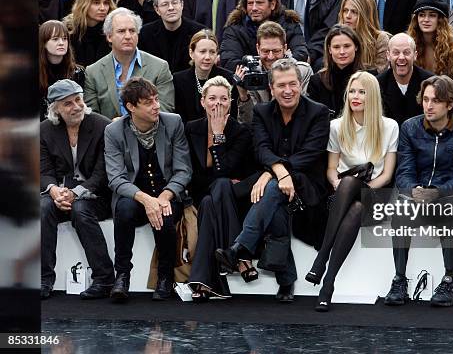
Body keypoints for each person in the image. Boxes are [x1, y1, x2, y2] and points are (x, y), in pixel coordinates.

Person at [215, 58, 330, 303]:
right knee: (273, 195)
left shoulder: (318, 112)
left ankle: (240, 248)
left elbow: (310, 153)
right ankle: (285, 279)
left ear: (300, 84)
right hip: (274, 184)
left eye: (292, 84)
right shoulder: (262, 112)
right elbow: (261, 148)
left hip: (307, 185)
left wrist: (273, 172)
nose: (287, 91)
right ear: (271, 88)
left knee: (271, 188)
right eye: (281, 85)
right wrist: (277, 171)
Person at [305, 72, 399, 311]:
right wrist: (337, 185)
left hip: (377, 194)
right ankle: (328, 285)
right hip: (344, 196)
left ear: (373, 96)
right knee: (353, 203)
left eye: (362, 92)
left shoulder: (389, 127)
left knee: (354, 193)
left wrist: (362, 188)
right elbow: (330, 170)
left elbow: (386, 175)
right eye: (353, 91)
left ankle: (321, 258)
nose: (355, 97)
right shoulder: (336, 126)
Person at [385, 75, 453, 307]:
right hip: (416, 195)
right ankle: (399, 279)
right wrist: (413, 190)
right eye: (425, 99)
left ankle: (449, 279)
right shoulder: (409, 127)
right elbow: (404, 170)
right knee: (401, 211)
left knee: (450, 210)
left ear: (449, 103)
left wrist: (437, 192)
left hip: (448, 195)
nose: (428, 105)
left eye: (435, 100)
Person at [104, 77, 192, 301]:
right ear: (131, 107)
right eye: (148, 102)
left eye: (156, 99)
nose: (156, 105)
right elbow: (116, 178)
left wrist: (163, 196)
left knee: (166, 212)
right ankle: (122, 276)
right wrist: (145, 199)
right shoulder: (114, 131)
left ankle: (165, 276)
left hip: (168, 192)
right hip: (134, 194)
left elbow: (184, 171)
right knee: (123, 209)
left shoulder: (173, 123)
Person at [40, 79, 115, 300]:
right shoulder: (44, 130)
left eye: (78, 100)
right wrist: (54, 191)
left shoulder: (103, 126)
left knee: (81, 209)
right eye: (68, 103)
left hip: (96, 195)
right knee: (42, 207)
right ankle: (44, 279)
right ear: (55, 109)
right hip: (60, 194)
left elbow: (103, 174)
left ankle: (104, 278)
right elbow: (43, 170)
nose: (76, 106)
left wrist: (75, 193)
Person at [185, 76, 256, 300]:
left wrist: (218, 136)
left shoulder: (241, 131)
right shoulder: (191, 128)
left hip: (233, 199)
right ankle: (240, 255)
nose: (218, 104)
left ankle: (203, 283)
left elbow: (226, 170)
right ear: (203, 101)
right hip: (201, 193)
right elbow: (190, 172)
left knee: (220, 187)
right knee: (209, 198)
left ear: (231, 102)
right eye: (212, 98)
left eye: (224, 99)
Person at [84, 7, 175, 119]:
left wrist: (133, 124)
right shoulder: (93, 72)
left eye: (132, 31)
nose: (128, 36)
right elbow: (92, 116)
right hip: (108, 134)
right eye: (121, 31)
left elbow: (165, 109)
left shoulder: (159, 67)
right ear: (109, 36)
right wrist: (113, 128)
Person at [234, 21, 313, 123]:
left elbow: (306, 114)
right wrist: (244, 96)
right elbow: (249, 124)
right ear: (258, 48)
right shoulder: (252, 75)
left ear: (284, 48)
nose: (271, 57)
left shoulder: (302, 71)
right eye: (265, 51)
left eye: (276, 51)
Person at [219, 0, 308, 71]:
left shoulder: (289, 23)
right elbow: (229, 60)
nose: (254, 8)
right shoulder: (235, 27)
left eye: (259, 3)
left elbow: (301, 54)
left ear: (272, 4)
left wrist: (279, 69)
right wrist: (257, 70)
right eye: (250, 3)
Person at [173, 29, 237, 124]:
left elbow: (233, 114)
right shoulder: (179, 79)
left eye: (212, 52)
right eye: (202, 51)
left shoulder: (227, 78)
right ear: (191, 53)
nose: (207, 57)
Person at [138, 0, 204, 73]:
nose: (171, 8)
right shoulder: (145, 34)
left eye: (174, 3)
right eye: (165, 4)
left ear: (182, 4)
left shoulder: (199, 33)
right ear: (157, 9)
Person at [307, 25, 368, 116]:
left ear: (356, 47)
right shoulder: (317, 81)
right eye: (336, 47)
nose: (342, 52)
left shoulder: (371, 77)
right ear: (329, 49)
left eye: (347, 46)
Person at [377, 33, 434, 126]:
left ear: (415, 55)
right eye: (396, 53)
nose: (401, 57)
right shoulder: (377, 84)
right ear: (388, 55)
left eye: (406, 52)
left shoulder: (430, 83)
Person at [40, 20, 86, 120]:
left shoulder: (78, 72)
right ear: (43, 43)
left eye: (64, 39)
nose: (61, 43)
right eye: (55, 39)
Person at [63, 0, 116, 67]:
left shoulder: (114, 31)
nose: (102, 8)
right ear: (84, 4)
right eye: (96, 3)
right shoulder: (68, 31)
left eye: (106, 3)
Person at [339, 0, 390, 73]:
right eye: (345, 10)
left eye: (354, 12)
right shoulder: (337, 37)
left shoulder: (380, 39)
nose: (347, 16)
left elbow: (380, 75)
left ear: (366, 15)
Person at [407, 0, 453, 76]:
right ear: (416, 19)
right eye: (422, 15)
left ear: (440, 20)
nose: (426, 20)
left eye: (432, 15)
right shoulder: (408, 44)